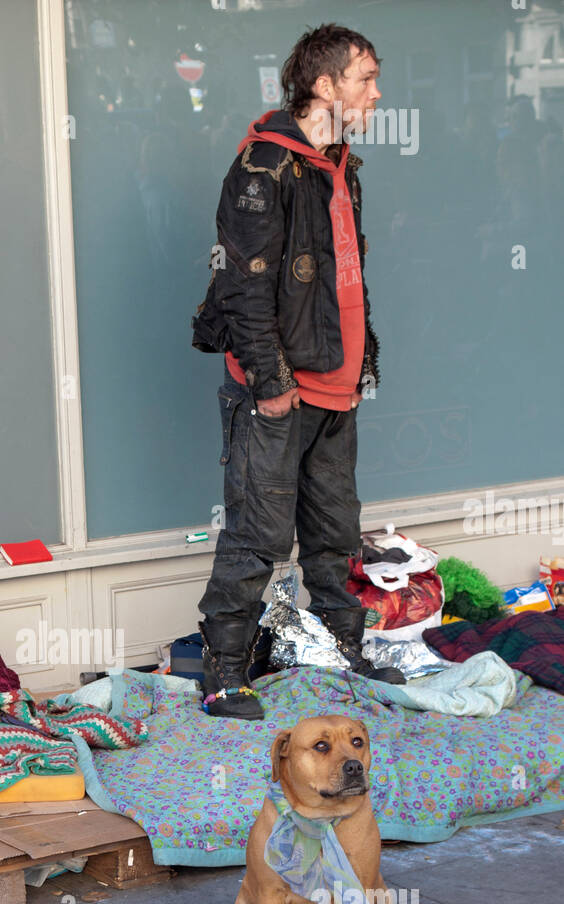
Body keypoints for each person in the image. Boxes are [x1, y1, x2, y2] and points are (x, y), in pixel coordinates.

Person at [193, 24, 404, 719]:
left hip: (336, 388)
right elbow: (242, 290)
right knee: (257, 532)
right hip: (280, 391)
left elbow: (344, 279)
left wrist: (359, 367)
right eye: (365, 79)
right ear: (324, 85)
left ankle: (347, 653)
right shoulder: (263, 167)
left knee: (335, 532)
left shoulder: (338, 163)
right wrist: (272, 384)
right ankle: (224, 674)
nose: (376, 93)